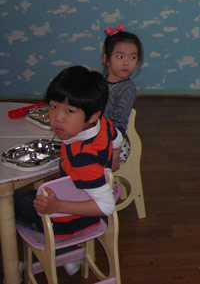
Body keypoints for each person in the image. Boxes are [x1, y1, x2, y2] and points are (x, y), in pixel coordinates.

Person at [14, 65, 123, 276]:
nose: (58, 118)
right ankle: (63, 256)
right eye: (53, 107)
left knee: (6, 204)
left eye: (69, 111)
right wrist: (114, 160)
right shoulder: (103, 124)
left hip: (69, 221)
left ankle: (11, 267)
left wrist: (58, 205)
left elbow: (106, 206)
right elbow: (117, 137)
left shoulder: (83, 158)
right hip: (75, 202)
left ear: (92, 116)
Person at [102, 24, 143, 162]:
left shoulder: (127, 88)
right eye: (120, 57)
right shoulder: (101, 82)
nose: (126, 63)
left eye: (132, 58)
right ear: (106, 60)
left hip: (113, 144)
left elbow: (119, 121)